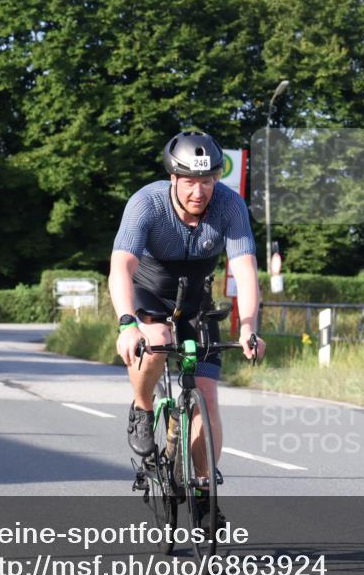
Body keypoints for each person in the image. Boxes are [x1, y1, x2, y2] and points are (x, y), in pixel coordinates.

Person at [110, 130, 267, 529]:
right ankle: (142, 408)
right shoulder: (146, 203)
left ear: (217, 178)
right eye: (190, 182)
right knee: (157, 340)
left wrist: (249, 327)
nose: (199, 192)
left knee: (207, 398)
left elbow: (246, 271)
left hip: (196, 300)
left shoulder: (230, 206)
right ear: (174, 178)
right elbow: (121, 266)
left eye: (208, 181)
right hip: (150, 293)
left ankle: (202, 492)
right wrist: (127, 323)